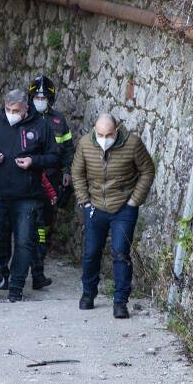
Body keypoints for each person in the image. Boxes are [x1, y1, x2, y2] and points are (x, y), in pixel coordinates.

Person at [0, 89, 60, 303]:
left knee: (24, 241)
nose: (12, 114)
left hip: (27, 195)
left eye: (16, 111)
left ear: (26, 108)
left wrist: (34, 161)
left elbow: (54, 156)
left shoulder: (41, 126)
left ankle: (17, 284)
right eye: (8, 109)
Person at [71, 113, 155, 319]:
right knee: (91, 252)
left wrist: (134, 200)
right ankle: (88, 294)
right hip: (95, 206)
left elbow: (147, 170)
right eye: (100, 134)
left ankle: (120, 302)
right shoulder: (85, 144)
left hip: (123, 207)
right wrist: (85, 201)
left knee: (120, 252)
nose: (104, 139)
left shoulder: (133, 144)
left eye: (109, 135)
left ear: (116, 131)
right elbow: (77, 172)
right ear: (94, 130)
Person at [26, 74, 75, 286]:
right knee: (27, 225)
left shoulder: (58, 120)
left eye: (43, 97)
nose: (40, 100)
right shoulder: (25, 117)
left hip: (51, 179)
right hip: (28, 179)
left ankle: (38, 268)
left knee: (44, 223)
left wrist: (67, 171)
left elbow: (68, 149)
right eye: (36, 96)